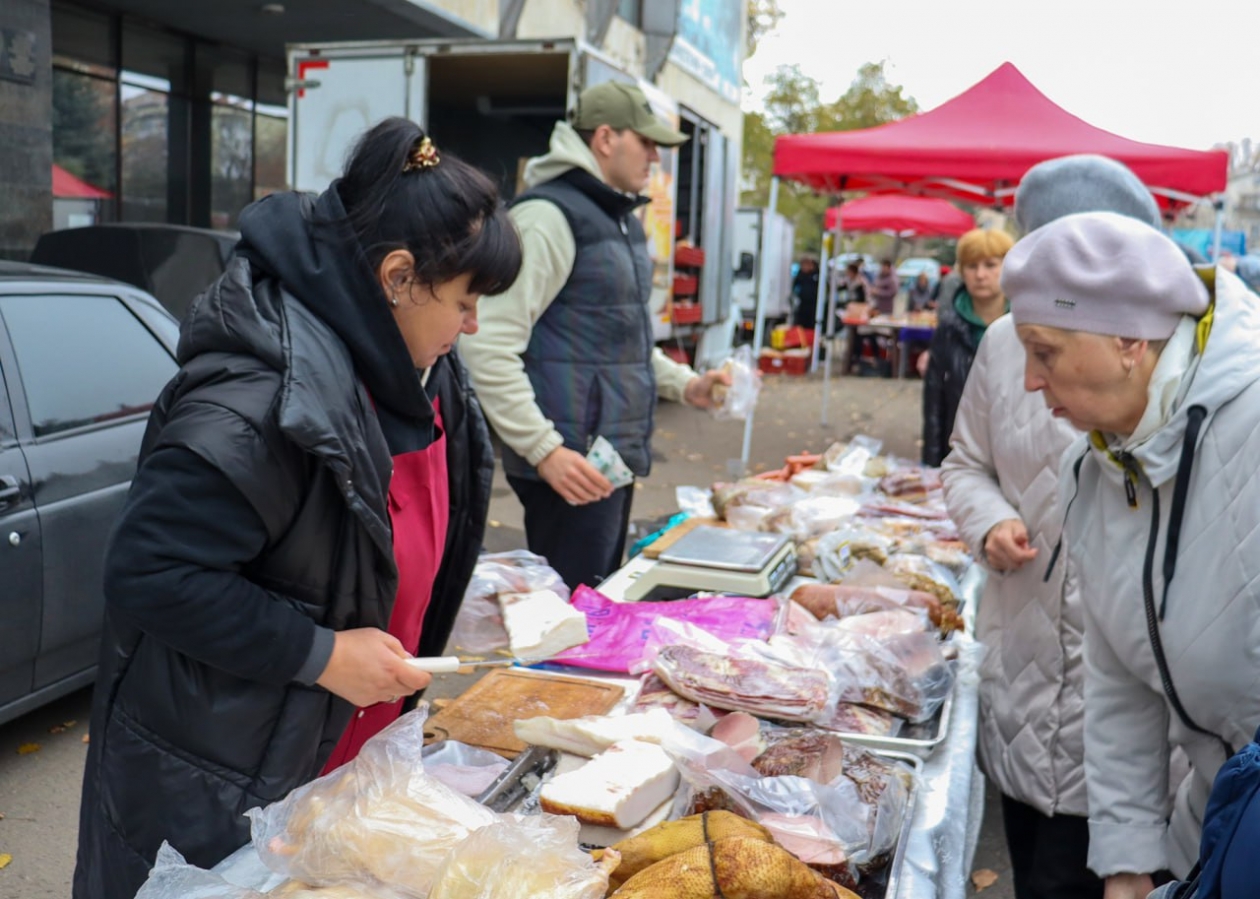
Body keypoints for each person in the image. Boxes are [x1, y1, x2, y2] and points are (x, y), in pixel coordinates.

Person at [72, 118, 522, 899]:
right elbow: (150, 570)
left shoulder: (417, 365)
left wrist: (463, 594)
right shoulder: (255, 400)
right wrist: (320, 653)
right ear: (397, 277)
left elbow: (374, 537)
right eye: (465, 299)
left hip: (346, 766)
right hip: (224, 780)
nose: (473, 324)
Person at [1005, 210, 1260, 899]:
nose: (1029, 379)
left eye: (1044, 350)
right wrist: (1126, 862)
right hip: (1211, 825)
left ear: (1128, 340)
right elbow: (1116, 678)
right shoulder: (1094, 470)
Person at [940, 153, 1165, 899]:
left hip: (1128, 730)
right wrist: (991, 520)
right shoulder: (1004, 345)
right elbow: (964, 460)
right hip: (1023, 673)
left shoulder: (1173, 369)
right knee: (1034, 870)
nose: (1040, 377)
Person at [459, 82, 729, 592]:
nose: (655, 155)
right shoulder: (547, 219)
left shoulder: (619, 220)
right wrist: (545, 450)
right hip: (570, 467)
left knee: (593, 614)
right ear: (605, 138)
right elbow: (486, 343)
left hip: (606, 461)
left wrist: (684, 384)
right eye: (646, 142)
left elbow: (619, 341)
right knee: (564, 630)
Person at [920, 227, 1015, 466]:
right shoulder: (948, 328)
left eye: (990, 265)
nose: (981, 275)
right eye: (972, 266)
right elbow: (934, 399)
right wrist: (932, 463)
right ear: (961, 271)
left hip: (1016, 451)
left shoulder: (1026, 324)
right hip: (961, 450)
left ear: (1008, 266)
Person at [792, 254, 820, 331]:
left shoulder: (817, 274)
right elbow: (795, 284)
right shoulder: (801, 274)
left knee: (811, 322)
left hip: (814, 304)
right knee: (800, 322)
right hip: (803, 303)